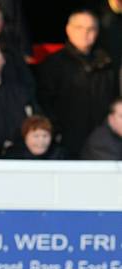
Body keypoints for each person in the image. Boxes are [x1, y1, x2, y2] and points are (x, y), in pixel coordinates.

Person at [38, 10, 117, 159]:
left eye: (91, 29)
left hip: (101, 145)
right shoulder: (53, 64)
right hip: (65, 144)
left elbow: (113, 101)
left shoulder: (106, 64)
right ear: (68, 29)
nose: (85, 33)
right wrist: (56, 132)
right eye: (79, 27)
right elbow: (44, 101)